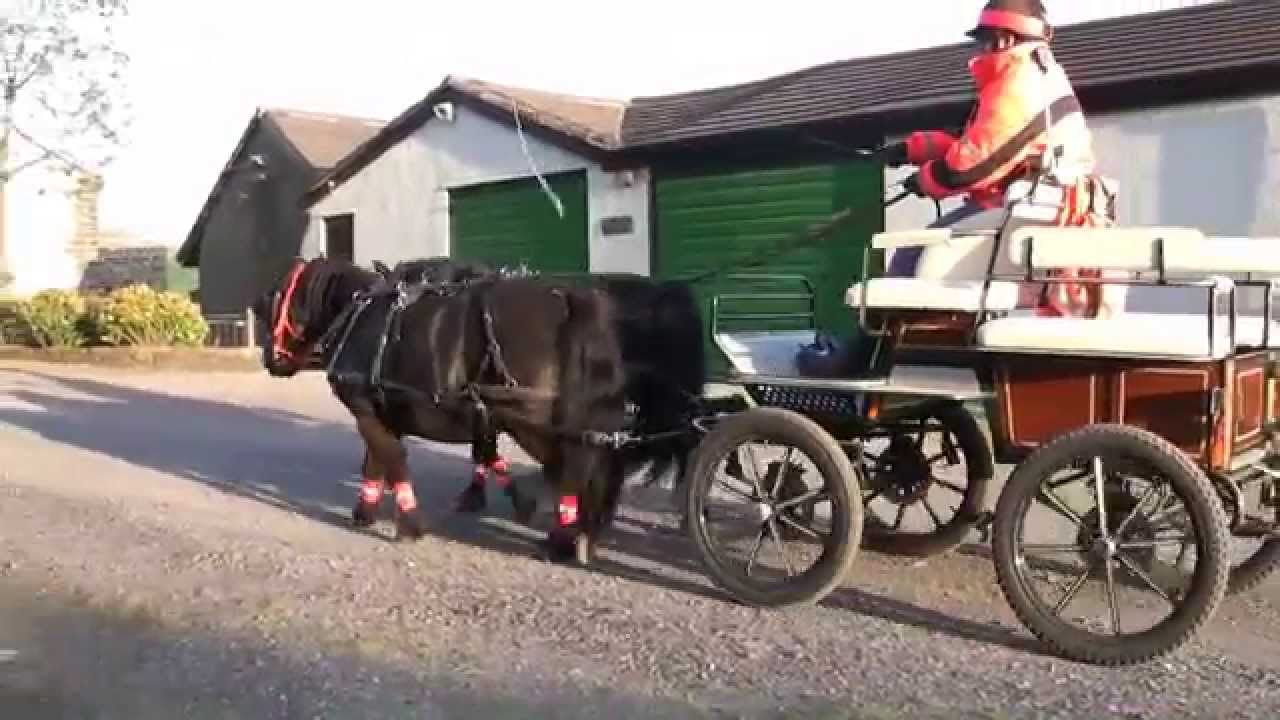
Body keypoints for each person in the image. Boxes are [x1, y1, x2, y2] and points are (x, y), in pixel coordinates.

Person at [879, 0, 1115, 317]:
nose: (981, 51)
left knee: (912, 253)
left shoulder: (1018, 83)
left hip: (1021, 205)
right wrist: (913, 149)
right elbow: (983, 142)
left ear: (1004, 39)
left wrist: (925, 179)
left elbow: (971, 167)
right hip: (1036, 203)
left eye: (984, 41)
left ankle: (881, 352)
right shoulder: (1036, 76)